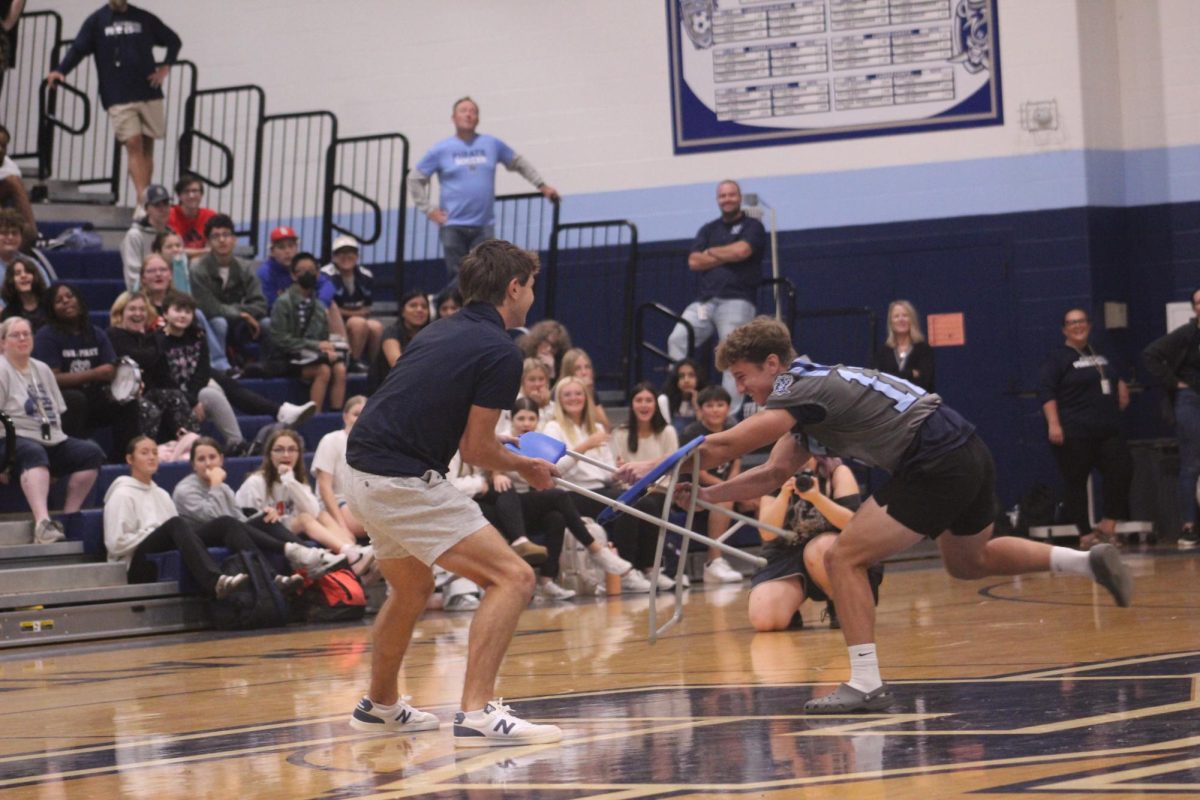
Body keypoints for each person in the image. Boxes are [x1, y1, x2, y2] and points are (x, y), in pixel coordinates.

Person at [617, 316, 1134, 714]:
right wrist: (706, 493)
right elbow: (771, 475)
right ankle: (1087, 563)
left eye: (743, 378)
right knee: (969, 560)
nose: (741, 390)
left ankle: (865, 681)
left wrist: (654, 464)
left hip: (933, 459)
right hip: (967, 449)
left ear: (772, 365)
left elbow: (727, 441)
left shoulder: (800, 389)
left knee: (844, 559)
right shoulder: (810, 395)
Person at [345, 239, 563, 746]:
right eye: (530, 286)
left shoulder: (440, 330)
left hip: (364, 472)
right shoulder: (501, 351)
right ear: (513, 288)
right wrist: (524, 465)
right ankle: (478, 712)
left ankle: (379, 706)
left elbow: (439, 410)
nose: (532, 295)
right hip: (400, 479)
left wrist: (499, 444)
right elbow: (477, 448)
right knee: (513, 577)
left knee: (413, 588)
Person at [490, 398, 633, 601]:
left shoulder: (538, 445)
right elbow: (487, 462)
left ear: (538, 421)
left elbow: (551, 478)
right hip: (505, 505)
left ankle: (547, 581)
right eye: (520, 418)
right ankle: (596, 550)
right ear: (512, 420)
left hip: (530, 504)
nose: (526, 423)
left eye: (531, 418)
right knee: (556, 495)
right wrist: (496, 474)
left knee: (556, 517)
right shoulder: (504, 442)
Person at [409, 96, 560, 289]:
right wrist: (428, 209)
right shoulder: (440, 149)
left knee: (486, 276)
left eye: (473, 111)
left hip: (483, 226)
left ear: (478, 119)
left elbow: (519, 162)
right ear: (453, 118)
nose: (469, 114)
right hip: (453, 224)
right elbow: (414, 178)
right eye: (463, 110)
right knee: (459, 276)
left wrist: (542, 185)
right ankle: (445, 305)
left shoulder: (491, 144)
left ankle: (451, 307)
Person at [46, 0, 181, 212]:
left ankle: (146, 196)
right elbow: (78, 48)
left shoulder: (143, 17)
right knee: (133, 142)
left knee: (147, 145)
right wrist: (61, 70)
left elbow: (173, 41)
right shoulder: (97, 21)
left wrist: (165, 67)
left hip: (147, 90)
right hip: (117, 94)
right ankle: (142, 200)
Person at [157, 291, 314, 453]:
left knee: (212, 392)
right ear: (165, 313)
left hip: (193, 390)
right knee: (217, 386)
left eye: (187, 312)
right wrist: (190, 401)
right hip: (172, 397)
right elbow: (163, 379)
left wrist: (194, 398)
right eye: (178, 311)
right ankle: (279, 412)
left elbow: (201, 371)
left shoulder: (197, 336)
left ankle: (237, 444)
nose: (183, 316)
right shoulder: (157, 341)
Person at [173, 436, 345, 580]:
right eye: (201, 459)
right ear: (193, 464)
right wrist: (216, 485)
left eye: (212, 457)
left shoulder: (224, 488)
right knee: (228, 522)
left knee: (266, 517)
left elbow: (239, 521)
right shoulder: (185, 490)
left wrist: (262, 517)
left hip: (229, 531)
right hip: (201, 537)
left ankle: (309, 555)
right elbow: (214, 519)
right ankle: (288, 558)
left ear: (221, 459)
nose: (208, 463)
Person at [104, 436, 255, 596]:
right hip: (134, 565)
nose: (152, 457)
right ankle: (214, 580)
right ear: (130, 459)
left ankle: (266, 576)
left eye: (155, 452)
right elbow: (116, 544)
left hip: (163, 557)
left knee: (223, 524)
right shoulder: (122, 494)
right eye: (145, 453)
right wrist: (154, 531)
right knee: (175, 523)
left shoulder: (162, 494)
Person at [543, 377, 654, 593]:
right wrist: (584, 446)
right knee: (625, 505)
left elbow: (605, 472)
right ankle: (625, 573)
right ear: (559, 399)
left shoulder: (596, 427)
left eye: (578, 393)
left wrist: (617, 472)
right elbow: (554, 471)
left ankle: (647, 568)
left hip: (600, 489)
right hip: (571, 492)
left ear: (586, 398)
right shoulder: (552, 427)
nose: (574, 398)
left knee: (647, 503)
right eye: (568, 394)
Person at [0, 317, 105, 544]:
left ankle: (68, 518)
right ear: (2, 342)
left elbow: (56, 413)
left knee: (91, 453)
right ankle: (43, 523)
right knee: (33, 452)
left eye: (26, 334)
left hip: (48, 437)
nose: (22, 339)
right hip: (10, 440)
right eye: (15, 335)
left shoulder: (43, 369)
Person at [666, 180, 766, 413]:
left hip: (737, 300)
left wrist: (710, 252)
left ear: (739, 198)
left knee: (732, 354)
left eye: (731, 195)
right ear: (717, 199)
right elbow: (693, 261)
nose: (727, 199)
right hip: (704, 302)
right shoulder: (708, 229)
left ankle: (727, 416)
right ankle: (687, 403)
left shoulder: (753, 226)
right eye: (722, 196)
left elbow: (743, 251)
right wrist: (727, 254)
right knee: (677, 339)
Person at [750, 457, 878, 631]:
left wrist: (817, 498)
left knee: (822, 547)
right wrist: (783, 494)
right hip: (787, 554)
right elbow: (767, 533)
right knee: (765, 620)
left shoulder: (837, 472)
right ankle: (789, 608)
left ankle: (839, 604)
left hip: (829, 552)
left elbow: (852, 525)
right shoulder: (774, 476)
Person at [1040, 308, 1133, 546]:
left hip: (1107, 429)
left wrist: (1120, 384)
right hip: (1074, 431)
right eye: (1072, 323)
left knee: (1121, 471)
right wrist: (1054, 424)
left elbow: (1110, 375)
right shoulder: (1058, 357)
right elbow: (1047, 392)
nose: (1077, 326)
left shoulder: (1098, 352)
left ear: (1089, 325)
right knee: (1076, 482)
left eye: (1081, 321)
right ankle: (1085, 534)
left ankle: (1107, 524)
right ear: (1064, 329)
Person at [34, 282, 140, 457]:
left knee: (127, 400)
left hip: (93, 397)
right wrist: (94, 374)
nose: (66, 302)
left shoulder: (96, 333)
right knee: (77, 399)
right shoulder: (46, 336)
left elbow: (111, 368)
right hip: (59, 402)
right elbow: (52, 378)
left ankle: (125, 457)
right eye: (59, 300)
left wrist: (131, 385)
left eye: (70, 296)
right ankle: (68, 455)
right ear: (52, 309)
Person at [1142, 288, 1200, 550]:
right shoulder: (1187, 334)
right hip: (1192, 400)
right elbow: (1150, 354)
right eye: (1199, 302)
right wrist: (1175, 383)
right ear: (1194, 308)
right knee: (1191, 464)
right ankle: (1188, 527)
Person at [107, 290, 198, 444]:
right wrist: (157, 341)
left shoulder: (149, 339)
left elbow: (163, 374)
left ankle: (191, 445)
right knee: (149, 410)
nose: (138, 313)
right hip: (120, 395)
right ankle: (146, 453)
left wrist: (192, 400)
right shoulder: (113, 334)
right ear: (120, 313)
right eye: (132, 309)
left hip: (147, 392)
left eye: (142, 309)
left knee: (175, 396)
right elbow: (139, 358)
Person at [680, 386, 745, 584]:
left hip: (724, 490)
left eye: (720, 405)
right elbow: (699, 473)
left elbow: (736, 463)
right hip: (690, 492)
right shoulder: (693, 433)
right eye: (709, 405)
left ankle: (775, 555)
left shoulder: (732, 431)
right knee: (724, 501)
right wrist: (729, 489)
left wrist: (736, 488)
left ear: (728, 408)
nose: (715, 410)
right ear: (700, 410)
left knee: (761, 500)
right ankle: (713, 562)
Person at [266, 252, 346, 412]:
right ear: (293, 275)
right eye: (301, 270)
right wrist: (315, 345)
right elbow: (279, 339)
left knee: (340, 368)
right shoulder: (283, 303)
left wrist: (328, 348)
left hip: (312, 355)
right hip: (287, 358)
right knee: (323, 370)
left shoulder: (318, 304)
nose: (307, 274)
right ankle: (315, 418)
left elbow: (322, 337)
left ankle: (337, 417)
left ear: (317, 274)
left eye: (311, 270)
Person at [189, 214, 269, 367]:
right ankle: (219, 366)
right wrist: (242, 314)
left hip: (239, 322)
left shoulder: (245, 267)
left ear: (234, 239)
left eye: (226, 235)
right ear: (208, 242)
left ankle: (267, 365)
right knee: (219, 322)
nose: (222, 240)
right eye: (215, 236)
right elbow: (209, 308)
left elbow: (260, 304)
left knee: (266, 323)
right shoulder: (198, 269)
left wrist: (244, 314)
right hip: (212, 322)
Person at [322, 235, 383, 372]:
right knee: (358, 323)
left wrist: (347, 311)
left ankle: (375, 368)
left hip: (356, 319)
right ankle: (351, 361)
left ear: (357, 256)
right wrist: (354, 312)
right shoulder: (326, 275)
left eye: (350, 252)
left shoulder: (366, 275)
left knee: (376, 326)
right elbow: (328, 306)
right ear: (334, 256)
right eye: (341, 252)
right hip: (330, 323)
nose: (346, 256)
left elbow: (367, 308)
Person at [312, 395, 367, 537]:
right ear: (345, 417)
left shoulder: (375, 445)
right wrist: (342, 525)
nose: (360, 419)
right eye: (356, 414)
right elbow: (324, 486)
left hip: (365, 501)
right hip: (337, 503)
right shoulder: (331, 440)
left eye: (365, 414)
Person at [367, 288, 429, 393]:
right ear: (402, 312)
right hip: (388, 392)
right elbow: (397, 365)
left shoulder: (431, 334)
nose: (419, 310)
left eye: (424, 306)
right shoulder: (391, 333)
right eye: (413, 305)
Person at [120, 183, 171, 291]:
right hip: (143, 298)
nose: (163, 209)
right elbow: (133, 276)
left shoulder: (172, 234)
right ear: (147, 209)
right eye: (157, 205)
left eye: (166, 204)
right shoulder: (134, 236)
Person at [877, 300, 935, 392]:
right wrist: (911, 373)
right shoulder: (883, 352)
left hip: (918, 403)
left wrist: (894, 376)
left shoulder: (924, 349)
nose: (901, 319)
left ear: (912, 320)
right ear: (891, 322)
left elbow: (924, 382)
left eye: (905, 315)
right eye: (896, 316)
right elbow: (880, 382)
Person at [560, 347, 611, 431]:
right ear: (568, 371)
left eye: (587, 367)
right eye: (578, 369)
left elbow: (605, 427)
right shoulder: (558, 391)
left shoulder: (590, 391)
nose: (584, 372)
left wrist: (588, 394)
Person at [0, 123, 35, 243]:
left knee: (13, 182)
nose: (0, 149)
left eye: (3, 146)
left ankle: (30, 234)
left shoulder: (10, 167)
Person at [167, 174, 216, 257]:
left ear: (201, 194)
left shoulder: (210, 215)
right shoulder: (170, 215)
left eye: (195, 191)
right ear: (179, 196)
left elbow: (215, 246)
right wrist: (204, 252)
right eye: (186, 191)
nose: (191, 195)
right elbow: (174, 251)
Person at [0, 208, 50, 288]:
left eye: (15, 233)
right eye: (4, 233)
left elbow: (46, 293)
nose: (10, 237)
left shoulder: (32, 264)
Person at [0, 257, 48, 330]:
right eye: (17, 273)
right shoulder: (8, 314)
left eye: (28, 272)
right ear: (11, 281)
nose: (23, 276)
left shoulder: (50, 305)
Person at [661, 358, 705, 434]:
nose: (686, 380)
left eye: (691, 375)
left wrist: (696, 406)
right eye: (681, 376)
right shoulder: (666, 400)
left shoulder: (707, 398)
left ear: (698, 379)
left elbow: (705, 429)